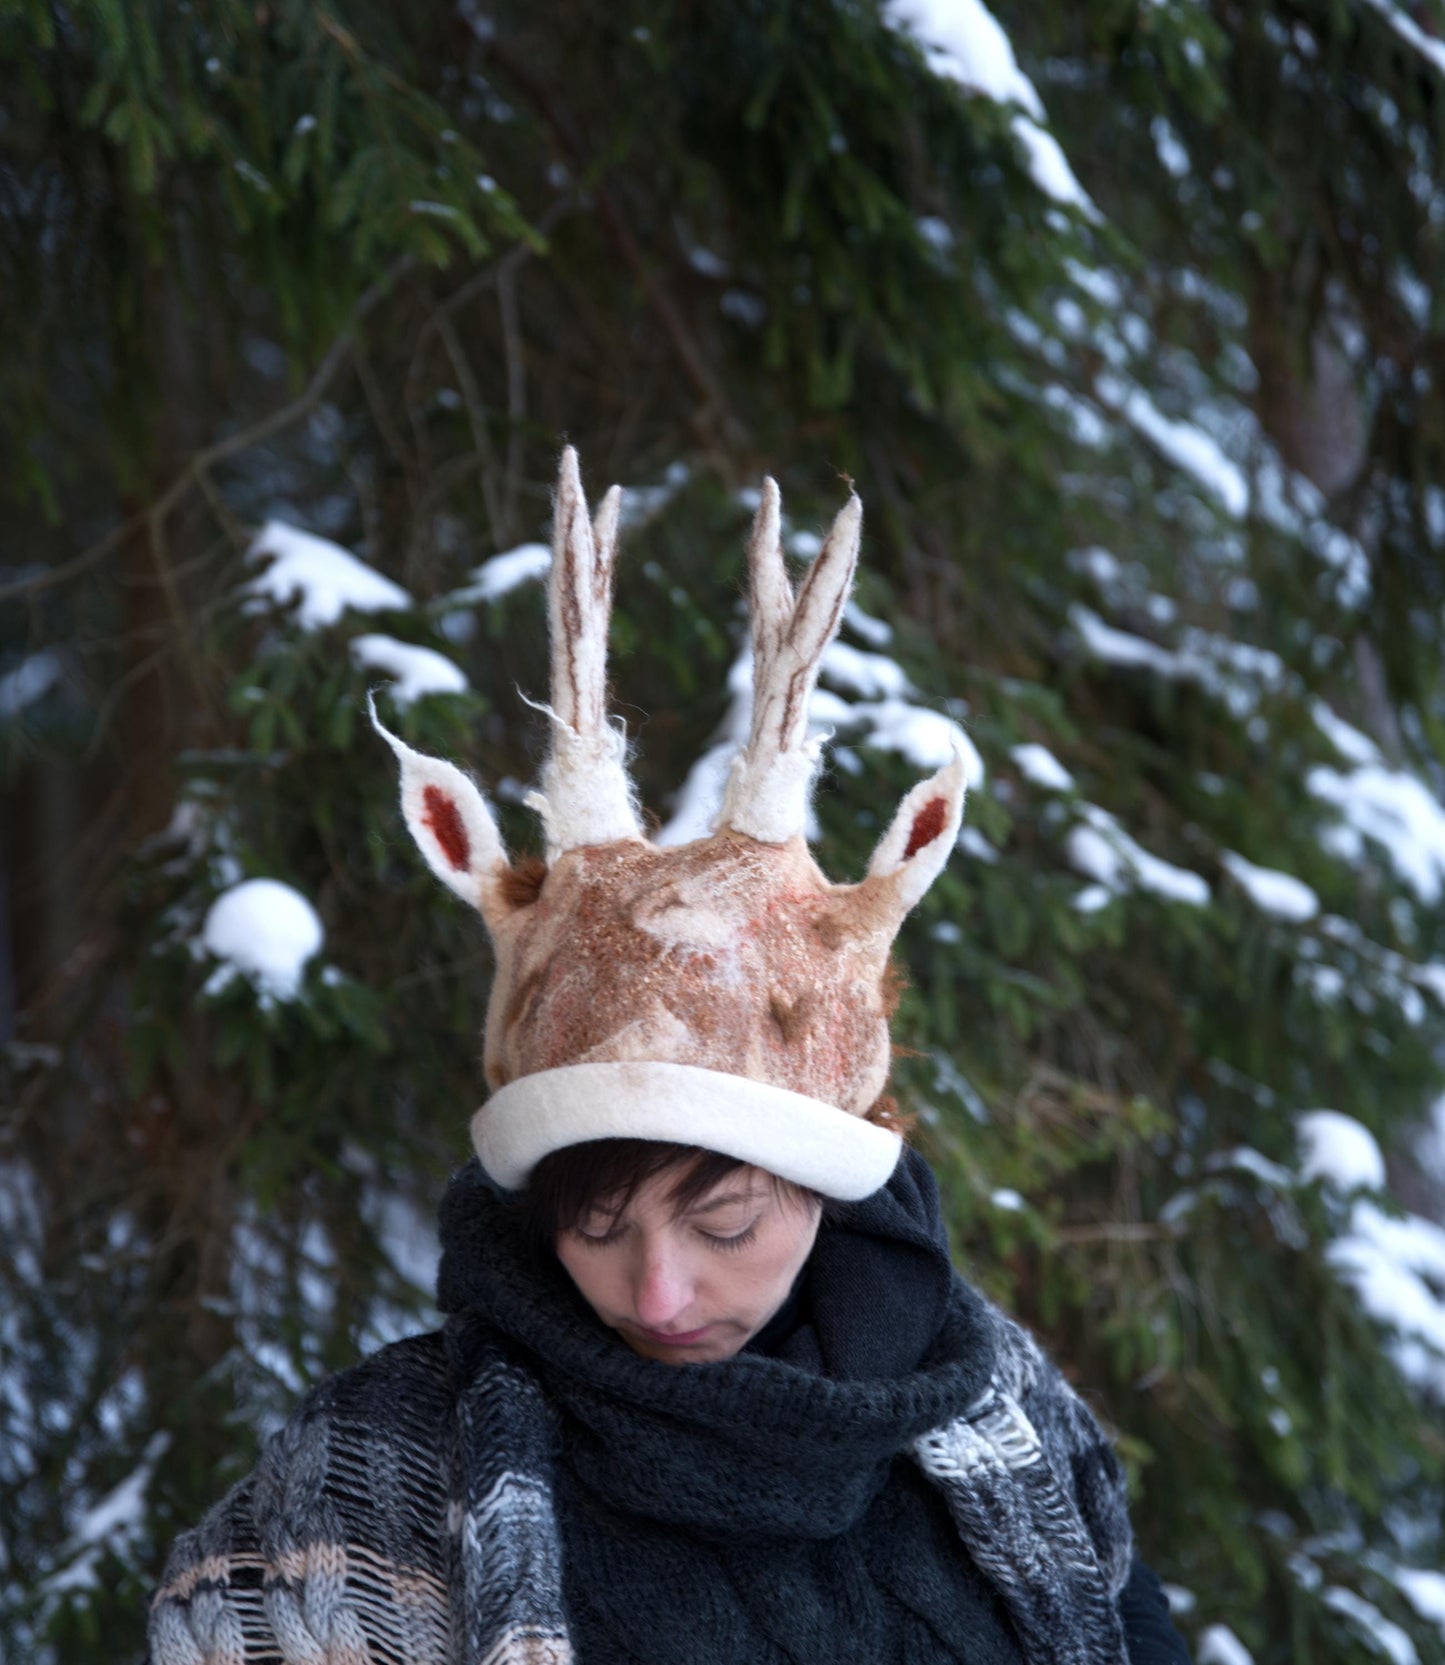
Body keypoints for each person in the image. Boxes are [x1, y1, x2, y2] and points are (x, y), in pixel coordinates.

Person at [149, 451, 1191, 1664]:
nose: (656, 1296)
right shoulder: (374, 1481)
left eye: (727, 1223)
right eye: (597, 1228)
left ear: (825, 1189)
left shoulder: (992, 1403)